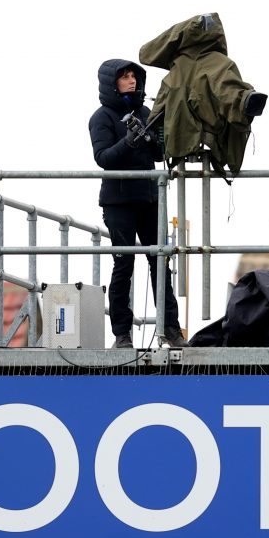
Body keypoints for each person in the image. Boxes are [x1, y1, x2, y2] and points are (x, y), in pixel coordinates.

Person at [89, 59, 186, 348]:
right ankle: (122, 334)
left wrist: (157, 136)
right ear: (112, 83)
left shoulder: (145, 112)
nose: (132, 81)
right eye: (125, 76)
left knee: (160, 262)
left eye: (134, 76)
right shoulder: (101, 117)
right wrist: (130, 140)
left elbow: (159, 153)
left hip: (148, 199)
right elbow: (103, 158)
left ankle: (171, 330)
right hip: (118, 203)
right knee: (123, 265)